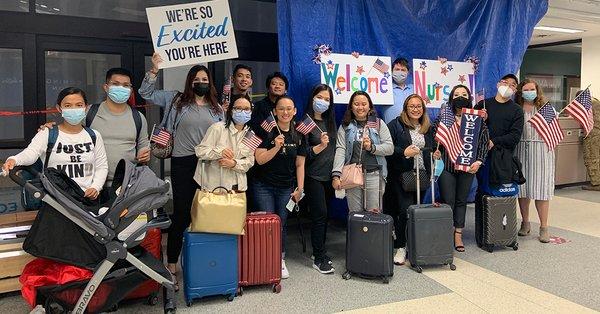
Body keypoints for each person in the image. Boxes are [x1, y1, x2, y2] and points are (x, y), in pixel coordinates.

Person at [140, 53, 224, 286]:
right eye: (197, 79)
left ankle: (201, 260)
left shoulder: (217, 109)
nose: (201, 82)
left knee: (207, 212)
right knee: (182, 213)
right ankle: (173, 264)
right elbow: (145, 94)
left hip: (210, 164)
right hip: (183, 162)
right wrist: (154, 69)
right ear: (190, 81)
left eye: (205, 79)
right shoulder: (176, 101)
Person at [40, 68, 150, 187]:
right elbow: (68, 130)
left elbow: (143, 145)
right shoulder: (89, 113)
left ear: (130, 90)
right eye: (116, 84)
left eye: (126, 85)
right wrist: (51, 128)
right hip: (92, 185)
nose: (121, 88)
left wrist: (144, 154)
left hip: (126, 184)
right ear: (106, 87)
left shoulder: (138, 118)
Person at [3, 87, 108, 199]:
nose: (74, 109)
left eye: (79, 105)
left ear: (86, 108)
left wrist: (96, 187)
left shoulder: (94, 135)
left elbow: (102, 165)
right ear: (59, 108)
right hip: (55, 200)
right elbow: (31, 153)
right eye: (68, 105)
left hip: (85, 201)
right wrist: (14, 160)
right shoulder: (47, 133)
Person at [253, 95, 306, 279]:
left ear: (295, 111)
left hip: (286, 187)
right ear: (275, 111)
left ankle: (279, 259)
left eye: (289, 108)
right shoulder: (265, 130)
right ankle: (266, 259)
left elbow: (300, 164)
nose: (285, 112)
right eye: (281, 108)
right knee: (268, 224)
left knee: (281, 224)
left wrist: (300, 188)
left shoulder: (299, 134)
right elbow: (259, 160)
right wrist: (275, 147)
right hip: (263, 186)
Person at [435, 85, 489, 252]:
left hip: (467, 166)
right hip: (447, 166)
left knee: (461, 200)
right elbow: (434, 136)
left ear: (469, 98)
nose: (460, 97)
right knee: (448, 200)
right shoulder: (444, 117)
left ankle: (458, 233)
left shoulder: (476, 118)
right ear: (451, 98)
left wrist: (479, 161)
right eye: (456, 94)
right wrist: (435, 151)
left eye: (464, 94)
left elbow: (483, 141)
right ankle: (446, 232)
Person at [384, 94, 434, 265]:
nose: (415, 109)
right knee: (405, 210)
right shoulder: (396, 125)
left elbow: (432, 147)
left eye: (419, 106)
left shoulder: (427, 127)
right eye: (412, 106)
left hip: (423, 175)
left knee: (417, 211)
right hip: (401, 175)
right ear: (405, 108)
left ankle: (414, 244)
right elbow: (388, 148)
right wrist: (404, 152)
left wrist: (435, 153)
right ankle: (401, 247)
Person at [332, 91, 393, 213]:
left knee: (374, 213)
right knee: (355, 214)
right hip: (352, 175)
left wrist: (372, 147)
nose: (360, 107)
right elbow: (341, 149)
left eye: (364, 104)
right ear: (351, 107)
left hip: (374, 174)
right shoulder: (346, 126)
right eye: (356, 104)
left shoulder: (378, 123)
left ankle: (374, 233)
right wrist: (336, 174)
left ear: (369, 106)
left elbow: (390, 148)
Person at [514, 79, 555, 243]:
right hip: (521, 150)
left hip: (541, 151)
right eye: (526, 89)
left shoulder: (545, 108)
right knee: (522, 189)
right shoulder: (516, 109)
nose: (529, 92)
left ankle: (544, 226)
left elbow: (554, 130)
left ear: (537, 91)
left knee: (541, 189)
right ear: (520, 92)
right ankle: (525, 222)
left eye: (532, 89)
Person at [303, 84, 337, 274]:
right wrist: (319, 147)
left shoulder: (331, 122)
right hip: (313, 176)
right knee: (319, 215)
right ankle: (318, 256)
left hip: (329, 177)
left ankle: (320, 251)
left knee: (325, 217)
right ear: (312, 97)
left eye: (327, 99)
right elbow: (301, 154)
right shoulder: (306, 122)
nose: (323, 101)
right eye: (320, 97)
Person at [194, 96, 255, 192]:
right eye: (238, 108)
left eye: (247, 109)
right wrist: (220, 152)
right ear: (231, 110)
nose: (243, 112)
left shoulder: (251, 135)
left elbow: (250, 161)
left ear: (251, 112)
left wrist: (234, 164)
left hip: (238, 188)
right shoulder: (217, 128)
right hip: (214, 187)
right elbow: (200, 151)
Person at [249, 72, 289, 137]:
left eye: (281, 84)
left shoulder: (289, 106)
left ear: (286, 90)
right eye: (274, 84)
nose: (277, 86)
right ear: (268, 88)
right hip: (264, 142)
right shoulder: (258, 106)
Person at [382, 58, 414, 124]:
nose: (400, 72)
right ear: (391, 71)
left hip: (412, 130)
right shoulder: (384, 88)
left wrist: (440, 64)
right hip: (391, 131)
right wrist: (358, 59)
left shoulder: (415, 88)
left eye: (403, 70)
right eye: (397, 69)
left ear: (407, 72)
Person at [582, 95, 600, 191]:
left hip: (592, 134)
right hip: (598, 133)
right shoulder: (597, 101)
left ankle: (596, 183)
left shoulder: (586, 103)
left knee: (592, 158)